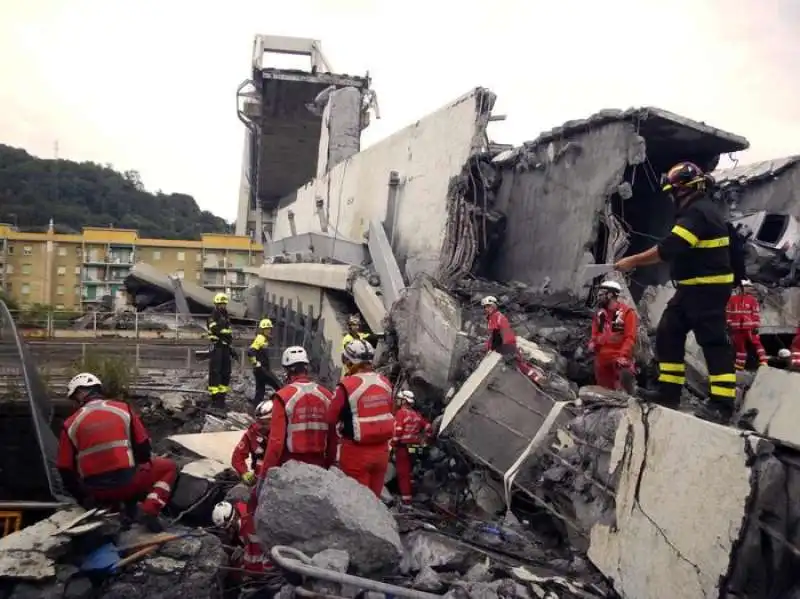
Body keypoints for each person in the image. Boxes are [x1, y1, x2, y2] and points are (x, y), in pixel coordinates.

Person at [615, 161, 737, 422]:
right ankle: (668, 393)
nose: (671, 198)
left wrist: (631, 261)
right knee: (669, 333)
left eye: (672, 192)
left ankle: (723, 405)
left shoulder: (697, 214)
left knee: (713, 343)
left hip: (708, 289)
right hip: (691, 289)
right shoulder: (698, 210)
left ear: (682, 190)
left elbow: (670, 249)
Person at [56, 372, 177, 532]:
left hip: (96, 492)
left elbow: (65, 469)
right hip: (128, 484)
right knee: (168, 467)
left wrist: (84, 499)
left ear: (80, 393)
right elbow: (143, 449)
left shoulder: (69, 424)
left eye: (74, 398)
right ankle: (149, 509)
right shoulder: (123, 409)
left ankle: (117, 510)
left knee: (114, 479)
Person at [326, 339, 395, 497]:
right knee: (374, 501)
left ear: (349, 361)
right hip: (382, 452)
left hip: (355, 453)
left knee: (357, 503)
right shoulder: (385, 382)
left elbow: (330, 418)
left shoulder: (346, 386)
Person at [256, 346, 333, 480]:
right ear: (306, 367)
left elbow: (276, 442)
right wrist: (330, 465)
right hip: (320, 464)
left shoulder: (283, 396)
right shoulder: (326, 395)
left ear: (287, 370)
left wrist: (264, 475)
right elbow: (334, 436)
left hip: (291, 466)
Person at [589, 280, 638, 391]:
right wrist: (592, 343)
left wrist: (623, 355)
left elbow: (630, 338)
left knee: (623, 390)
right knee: (604, 393)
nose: (598, 296)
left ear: (610, 294)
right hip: (602, 362)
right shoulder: (600, 314)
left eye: (601, 294)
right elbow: (595, 334)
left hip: (619, 359)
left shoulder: (626, 312)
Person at [392, 390, 431, 505]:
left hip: (403, 447)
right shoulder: (416, 415)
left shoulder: (401, 413)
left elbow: (398, 431)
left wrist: (392, 445)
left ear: (404, 401)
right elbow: (428, 427)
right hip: (414, 447)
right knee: (409, 472)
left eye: (400, 399)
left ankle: (406, 501)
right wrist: (425, 440)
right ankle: (411, 493)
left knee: (403, 473)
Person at [211, 501, 270, 575]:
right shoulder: (242, 507)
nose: (228, 532)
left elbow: (255, 563)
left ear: (233, 520)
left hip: (270, 557)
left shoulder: (249, 532)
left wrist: (241, 564)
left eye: (228, 528)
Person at [726, 280, 768, 370]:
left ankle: (764, 361)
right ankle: (739, 366)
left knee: (757, 344)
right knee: (740, 347)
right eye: (747, 287)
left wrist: (756, 326)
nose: (749, 289)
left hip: (749, 328)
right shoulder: (732, 300)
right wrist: (729, 324)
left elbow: (755, 314)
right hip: (737, 329)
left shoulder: (752, 300)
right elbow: (728, 313)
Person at [231, 400, 273, 487]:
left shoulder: (285, 435)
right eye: (258, 422)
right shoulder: (252, 433)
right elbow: (237, 457)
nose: (259, 426)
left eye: (264, 423)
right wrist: (244, 473)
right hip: (258, 479)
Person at [208, 293, 233, 409]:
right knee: (215, 372)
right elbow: (214, 329)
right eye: (221, 304)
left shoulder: (226, 316)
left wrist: (226, 334)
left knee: (226, 372)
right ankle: (214, 399)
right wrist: (224, 331)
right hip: (217, 347)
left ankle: (222, 399)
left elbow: (227, 331)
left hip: (225, 347)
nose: (223, 306)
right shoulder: (213, 316)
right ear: (217, 304)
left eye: (224, 304)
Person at [248, 318, 281, 406]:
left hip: (259, 370)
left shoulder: (264, 338)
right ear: (262, 330)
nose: (269, 330)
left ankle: (255, 408)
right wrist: (255, 363)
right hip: (262, 369)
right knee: (279, 385)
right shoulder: (260, 338)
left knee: (260, 392)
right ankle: (283, 405)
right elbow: (250, 351)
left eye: (269, 328)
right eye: (266, 329)